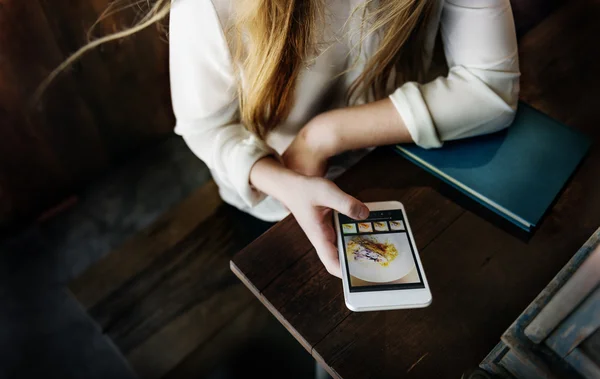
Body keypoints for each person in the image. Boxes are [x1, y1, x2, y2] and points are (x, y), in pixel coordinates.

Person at [42, 0, 518, 278]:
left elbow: (490, 87)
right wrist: (282, 178)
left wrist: (323, 134)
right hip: (273, 194)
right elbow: (206, 127)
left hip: (410, 158)